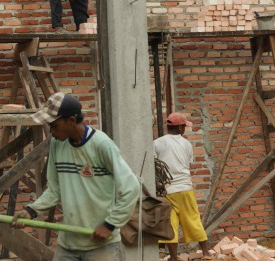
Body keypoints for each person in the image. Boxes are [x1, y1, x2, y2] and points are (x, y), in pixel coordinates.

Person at [11, 92, 140, 261]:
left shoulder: (102, 145)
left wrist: (110, 224)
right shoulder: (57, 144)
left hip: (101, 245)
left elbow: (131, 188)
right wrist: (31, 211)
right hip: (68, 245)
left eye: (54, 125)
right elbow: (55, 189)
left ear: (71, 120)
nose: (51, 131)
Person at [154, 113, 213, 261]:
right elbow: (187, 164)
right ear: (180, 127)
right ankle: (205, 253)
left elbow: (154, 165)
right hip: (184, 188)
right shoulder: (186, 144)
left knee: (169, 223)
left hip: (166, 191)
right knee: (193, 219)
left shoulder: (157, 143)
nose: (185, 129)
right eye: (184, 127)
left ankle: (174, 257)